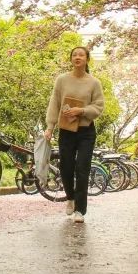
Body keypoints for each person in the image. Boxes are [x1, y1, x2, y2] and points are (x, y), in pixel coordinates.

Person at [44, 46, 105, 223]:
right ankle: (70, 197)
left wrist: (82, 110)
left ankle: (80, 210)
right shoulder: (62, 80)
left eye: (81, 55)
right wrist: (50, 127)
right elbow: (54, 102)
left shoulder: (94, 82)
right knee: (66, 167)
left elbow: (99, 106)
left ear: (87, 59)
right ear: (71, 59)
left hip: (86, 131)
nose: (77, 57)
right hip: (66, 131)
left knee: (82, 169)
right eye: (74, 55)